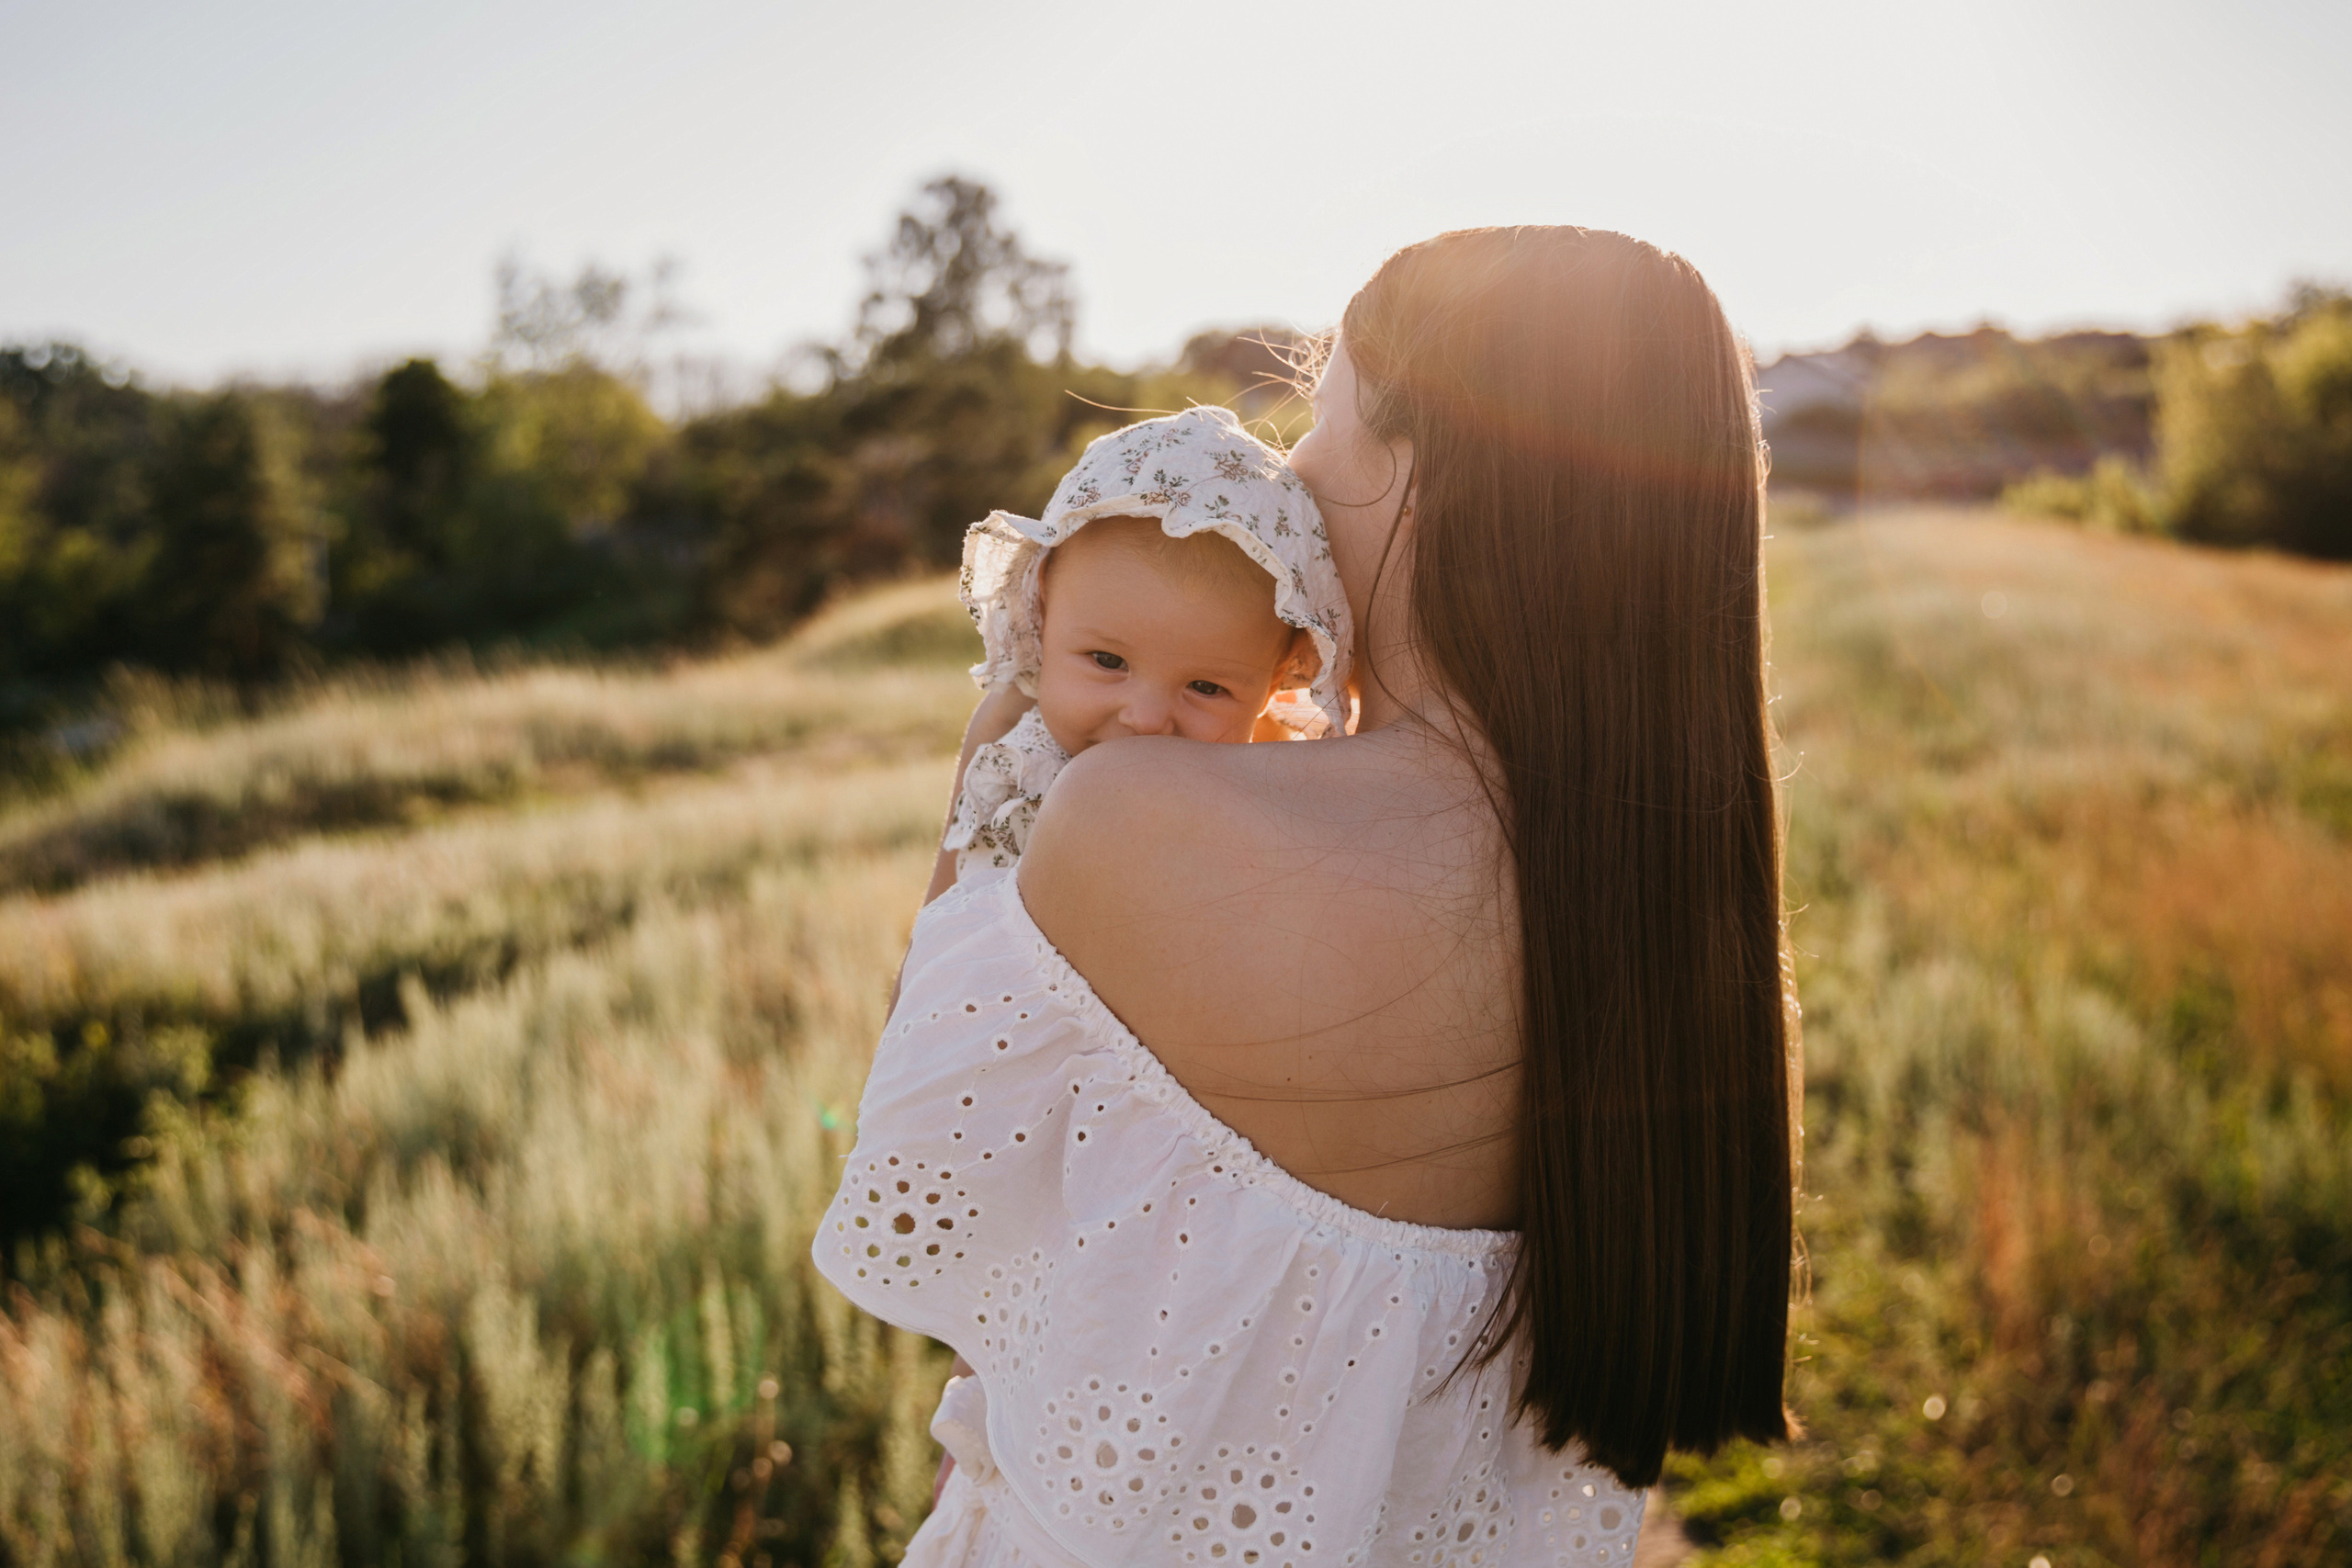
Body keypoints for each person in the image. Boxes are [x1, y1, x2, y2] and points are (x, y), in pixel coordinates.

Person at [813, 226, 1798, 1568]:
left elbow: (936, 1139)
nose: (1293, 470)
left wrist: (1000, 748)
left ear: (1430, 472)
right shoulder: (1648, 901)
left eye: (1326, 417)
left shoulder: (1131, 815)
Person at [931, 405, 1351, 895]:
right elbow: (941, 915)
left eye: (1206, 687)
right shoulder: (1011, 747)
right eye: (1108, 661)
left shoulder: (1263, 783)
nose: (1148, 720)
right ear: (1043, 606)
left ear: (1279, 675)